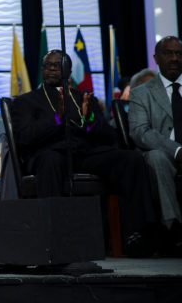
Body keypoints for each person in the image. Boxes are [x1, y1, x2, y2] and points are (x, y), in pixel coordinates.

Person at [12, 49, 155, 256]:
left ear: (69, 71)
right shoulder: (25, 102)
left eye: (57, 65)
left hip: (85, 154)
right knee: (51, 160)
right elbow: (25, 138)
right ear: (42, 70)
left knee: (130, 159)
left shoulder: (84, 98)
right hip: (49, 154)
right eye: (48, 65)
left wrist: (88, 121)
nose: (52, 69)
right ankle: (55, 238)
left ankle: (136, 234)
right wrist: (57, 119)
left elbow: (108, 136)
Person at [129, 36, 182, 254]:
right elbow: (140, 132)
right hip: (165, 155)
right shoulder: (142, 92)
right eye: (168, 53)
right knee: (156, 157)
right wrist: (177, 151)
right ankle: (175, 229)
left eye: (179, 54)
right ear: (156, 58)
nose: (174, 58)